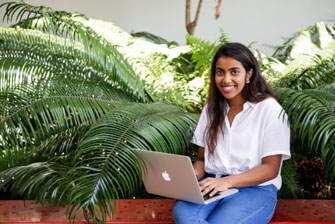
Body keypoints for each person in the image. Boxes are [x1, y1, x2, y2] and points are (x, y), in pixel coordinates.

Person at [173, 42, 291, 224]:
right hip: (211, 184)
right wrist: (191, 177)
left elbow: (271, 168)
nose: (226, 79)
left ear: (249, 74)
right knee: (185, 216)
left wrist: (228, 181)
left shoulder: (269, 109)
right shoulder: (211, 110)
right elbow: (202, 160)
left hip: (256, 189)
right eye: (220, 72)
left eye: (234, 72)